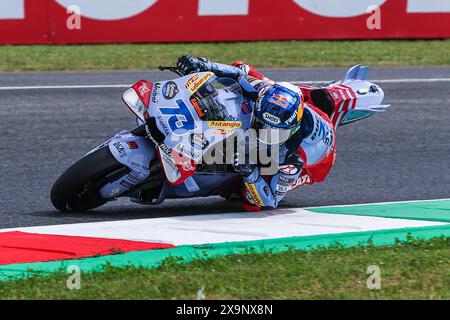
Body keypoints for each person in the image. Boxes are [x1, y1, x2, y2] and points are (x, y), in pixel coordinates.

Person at [176, 55, 336, 211]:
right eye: (263, 125)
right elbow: (238, 74)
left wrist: (250, 171)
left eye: (276, 132)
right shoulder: (263, 92)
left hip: (316, 165)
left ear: (291, 130)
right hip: (293, 106)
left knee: (250, 201)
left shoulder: (293, 159)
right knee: (240, 67)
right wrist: (205, 65)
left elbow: (271, 199)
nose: (267, 135)